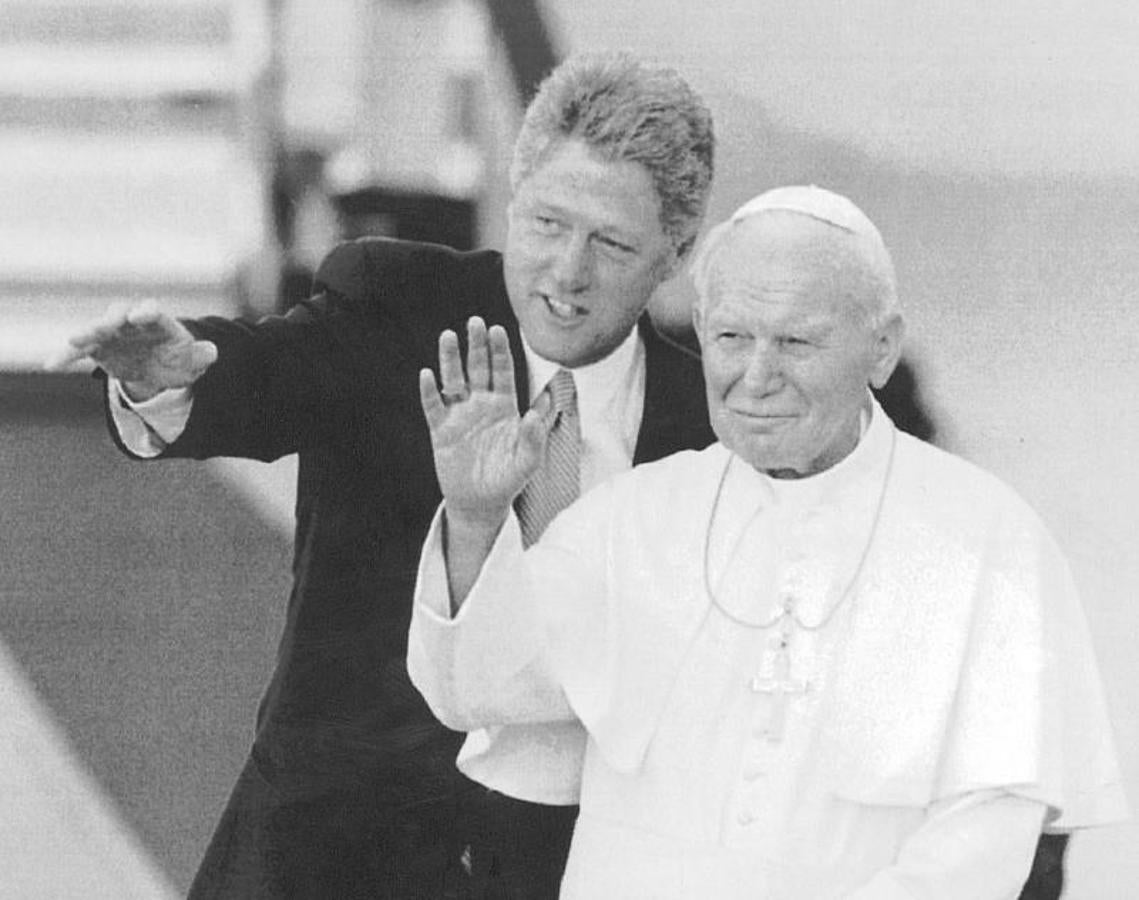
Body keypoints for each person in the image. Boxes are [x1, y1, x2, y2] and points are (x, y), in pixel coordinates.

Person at [48, 52, 716, 898]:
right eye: (546, 223)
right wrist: (175, 375)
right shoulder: (398, 307)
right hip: (329, 855)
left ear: (676, 251)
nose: (566, 273)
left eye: (611, 244)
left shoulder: (704, 424)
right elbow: (269, 373)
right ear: (513, 197)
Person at [409, 185, 1129, 899]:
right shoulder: (630, 517)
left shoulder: (987, 540)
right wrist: (475, 520)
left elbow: (982, 840)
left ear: (881, 349)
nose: (756, 377)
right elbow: (476, 690)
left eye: (795, 342)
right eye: (730, 338)